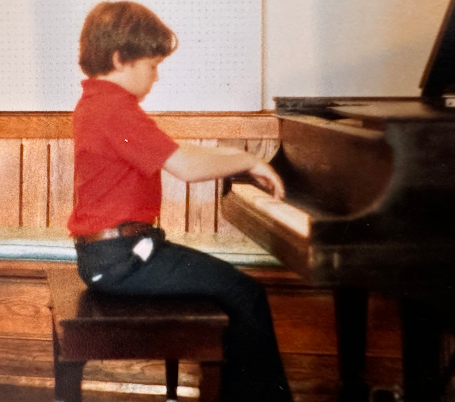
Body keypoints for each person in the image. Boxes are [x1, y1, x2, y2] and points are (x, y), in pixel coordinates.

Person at [67, 2, 293, 402]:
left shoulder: (98, 104)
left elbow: (175, 151)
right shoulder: (114, 110)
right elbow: (185, 166)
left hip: (117, 254)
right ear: (120, 59)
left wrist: (233, 157)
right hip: (122, 260)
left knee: (233, 289)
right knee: (245, 293)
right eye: (152, 65)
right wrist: (248, 160)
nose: (156, 76)